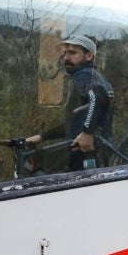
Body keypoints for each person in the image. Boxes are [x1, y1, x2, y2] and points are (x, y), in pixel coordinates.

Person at [27, 35, 114, 171]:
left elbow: (99, 98)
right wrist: (42, 136)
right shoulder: (98, 77)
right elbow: (76, 122)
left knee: (35, 169)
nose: (66, 57)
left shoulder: (84, 75)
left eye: (73, 53)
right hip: (100, 155)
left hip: (86, 155)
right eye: (65, 53)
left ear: (89, 56)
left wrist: (87, 133)